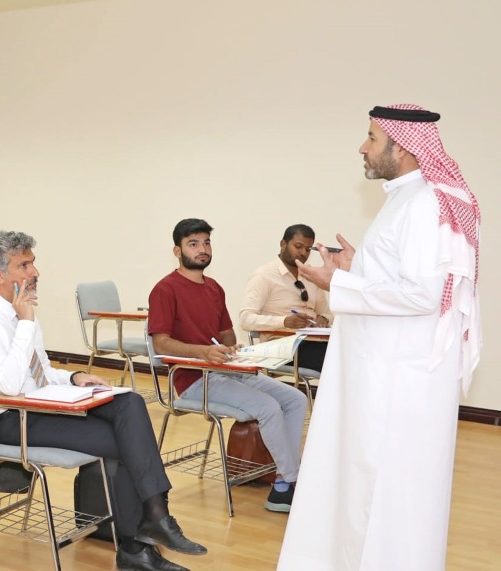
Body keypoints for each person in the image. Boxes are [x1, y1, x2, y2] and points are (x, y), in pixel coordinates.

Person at [279, 105, 481, 571]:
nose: (362, 147)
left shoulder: (426, 203)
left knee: (390, 490)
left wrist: (338, 284)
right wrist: (358, 267)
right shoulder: (405, 199)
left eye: (371, 137)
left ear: (404, 146)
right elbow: (400, 280)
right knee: (364, 484)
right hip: (382, 371)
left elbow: (422, 296)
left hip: (398, 380)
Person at [0, 231, 206, 571]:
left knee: (129, 402)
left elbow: (38, 371)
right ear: (0, 275)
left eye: (33, 262)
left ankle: (155, 518)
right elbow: (11, 385)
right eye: (24, 265)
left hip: (42, 404)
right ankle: (137, 542)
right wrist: (26, 322)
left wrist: (72, 378)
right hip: (12, 420)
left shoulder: (21, 310)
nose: (35, 272)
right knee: (125, 441)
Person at [148, 219, 308, 513]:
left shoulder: (214, 288)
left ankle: (285, 479)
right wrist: (203, 352)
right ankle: (292, 481)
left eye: (206, 243)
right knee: (268, 407)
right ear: (177, 250)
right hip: (193, 381)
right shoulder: (165, 289)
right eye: (193, 244)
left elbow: (226, 334)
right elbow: (161, 343)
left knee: (296, 399)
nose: (202, 249)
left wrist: (232, 347)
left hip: (226, 369)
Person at [238, 223, 333, 372]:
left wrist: (323, 319)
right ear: (283, 244)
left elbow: (328, 313)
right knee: (335, 358)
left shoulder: (311, 276)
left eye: (308, 249)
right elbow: (245, 320)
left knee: (349, 349)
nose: (303, 253)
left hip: (312, 342)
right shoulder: (264, 275)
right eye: (298, 246)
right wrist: (285, 321)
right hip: (280, 347)